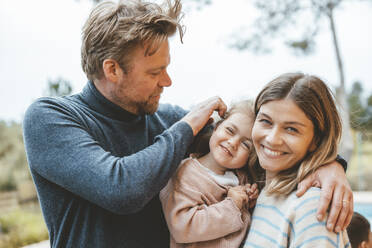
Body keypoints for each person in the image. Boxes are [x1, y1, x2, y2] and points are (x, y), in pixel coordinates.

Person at [22, 0, 352, 247]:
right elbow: (121, 188)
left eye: (166, 67)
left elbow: (258, 133)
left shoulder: (165, 120)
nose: (167, 80)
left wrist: (328, 163)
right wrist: (190, 123)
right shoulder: (51, 118)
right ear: (112, 70)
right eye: (154, 72)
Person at [243, 72, 351, 247]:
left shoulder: (313, 206)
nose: (272, 139)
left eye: (291, 129)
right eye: (266, 121)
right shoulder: (258, 191)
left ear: (316, 140)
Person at [160, 100, 259, 247]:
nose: (233, 143)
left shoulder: (241, 177)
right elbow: (182, 227)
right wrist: (233, 206)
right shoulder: (185, 173)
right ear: (217, 127)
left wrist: (248, 202)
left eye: (246, 144)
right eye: (230, 131)